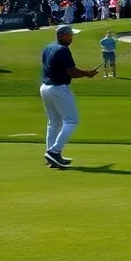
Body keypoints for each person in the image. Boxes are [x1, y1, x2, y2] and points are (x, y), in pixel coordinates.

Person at [40, 24, 99, 169]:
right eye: (69, 35)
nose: (72, 37)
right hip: (58, 88)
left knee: (54, 123)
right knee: (72, 121)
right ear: (61, 35)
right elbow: (71, 72)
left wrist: (85, 73)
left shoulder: (48, 48)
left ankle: (51, 156)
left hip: (45, 88)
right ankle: (54, 152)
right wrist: (87, 73)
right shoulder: (63, 50)